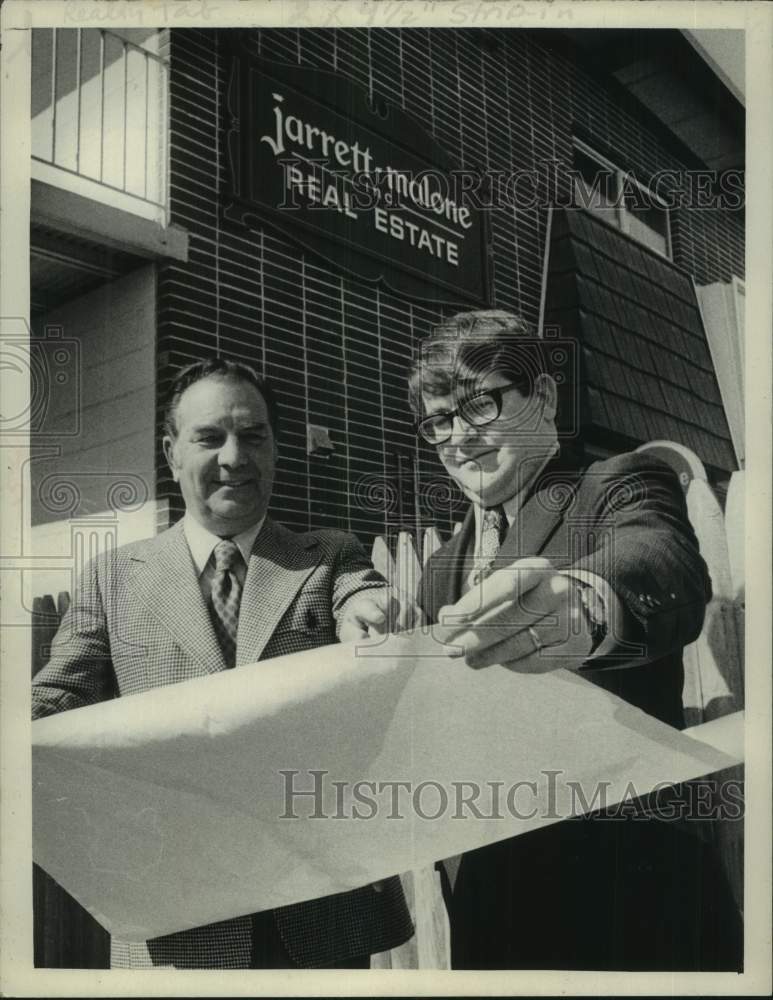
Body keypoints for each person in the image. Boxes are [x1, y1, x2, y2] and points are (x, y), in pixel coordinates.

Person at [32, 357, 414, 969]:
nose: (235, 456)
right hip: (178, 912)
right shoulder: (112, 578)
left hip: (315, 912)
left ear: (276, 449)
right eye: (210, 437)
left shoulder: (330, 556)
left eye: (253, 436)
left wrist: (366, 614)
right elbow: (56, 699)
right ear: (171, 452)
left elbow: (360, 597)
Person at [407, 309, 742, 971]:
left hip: (628, 899)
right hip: (491, 907)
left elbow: (664, 566)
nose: (458, 436)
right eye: (438, 420)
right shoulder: (440, 569)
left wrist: (586, 603)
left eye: (479, 404)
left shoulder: (612, 484)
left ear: (544, 398)